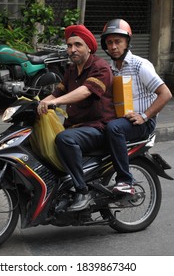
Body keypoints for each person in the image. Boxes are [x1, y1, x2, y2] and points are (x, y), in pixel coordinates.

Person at [37, 24, 116, 211]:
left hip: (98, 127)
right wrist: (36, 104)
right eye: (69, 45)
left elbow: (84, 91)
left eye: (78, 45)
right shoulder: (72, 70)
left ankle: (82, 191)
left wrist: (53, 104)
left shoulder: (100, 67)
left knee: (64, 139)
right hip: (76, 126)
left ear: (89, 47)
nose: (72, 49)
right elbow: (56, 93)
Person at [100, 18, 172, 194]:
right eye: (109, 42)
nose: (114, 46)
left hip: (142, 122)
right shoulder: (110, 68)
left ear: (127, 43)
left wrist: (144, 116)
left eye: (118, 41)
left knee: (113, 128)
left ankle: (126, 180)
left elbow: (166, 94)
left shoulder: (140, 65)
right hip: (122, 119)